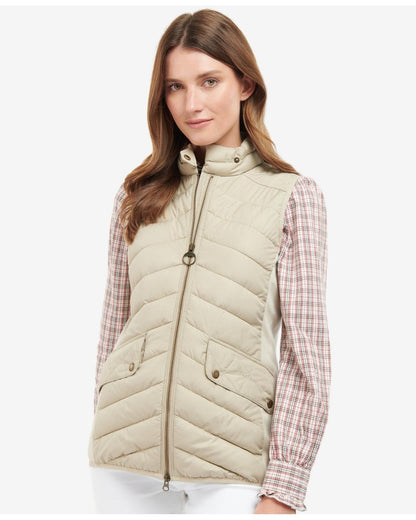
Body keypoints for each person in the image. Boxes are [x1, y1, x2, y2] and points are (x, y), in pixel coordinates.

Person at [87, 8, 331, 515]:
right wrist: (107, 420)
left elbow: (305, 354)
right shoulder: (135, 196)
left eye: (209, 81)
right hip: (123, 466)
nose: (191, 104)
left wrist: (284, 487)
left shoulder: (292, 197)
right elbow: (114, 326)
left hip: (232, 469)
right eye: (175, 87)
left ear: (245, 84)